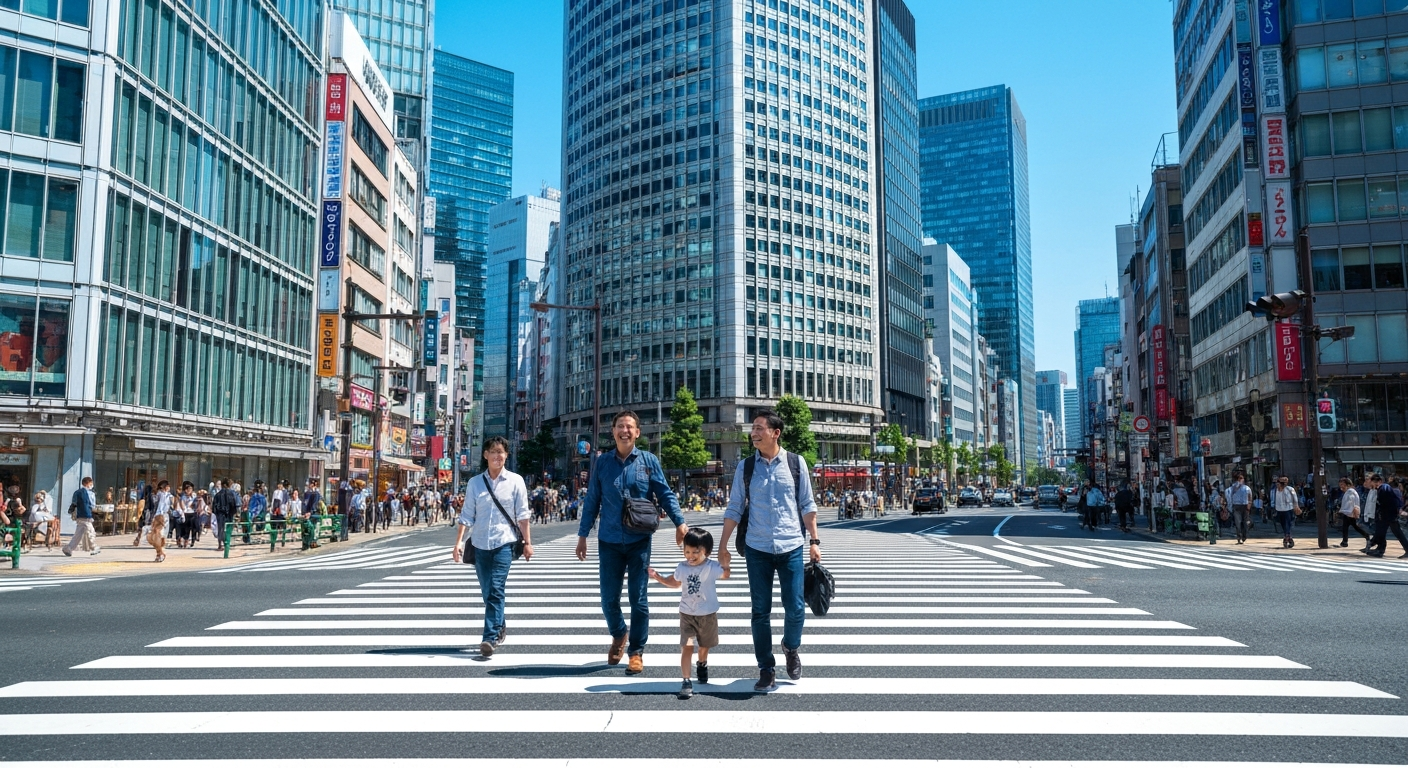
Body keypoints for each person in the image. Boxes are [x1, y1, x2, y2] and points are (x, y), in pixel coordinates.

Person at [575, 410, 688, 675]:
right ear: (612, 431)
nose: (624, 431)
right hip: (609, 540)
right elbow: (592, 500)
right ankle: (619, 634)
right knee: (608, 600)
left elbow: (665, 493)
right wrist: (582, 535)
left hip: (639, 540)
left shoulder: (648, 461)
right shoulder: (602, 463)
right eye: (619, 427)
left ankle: (636, 652)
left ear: (637, 432)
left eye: (629, 427)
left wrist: (680, 522)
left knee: (638, 599)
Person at [719, 410, 822, 692]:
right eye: (753, 428)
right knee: (760, 612)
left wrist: (814, 541)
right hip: (757, 548)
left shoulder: (795, 463)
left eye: (759, 428)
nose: (753, 433)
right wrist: (723, 545)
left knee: (796, 608)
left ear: (775, 433)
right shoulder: (745, 467)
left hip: (791, 545)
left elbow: (807, 505)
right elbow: (735, 507)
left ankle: (790, 647)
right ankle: (766, 667)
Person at [454, 436, 533, 657]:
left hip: (504, 543)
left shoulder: (516, 481)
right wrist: (459, 543)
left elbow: (523, 516)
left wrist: (527, 543)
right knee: (488, 591)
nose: (498, 455)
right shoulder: (475, 483)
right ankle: (499, 625)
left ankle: (489, 637)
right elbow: (467, 515)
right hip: (479, 543)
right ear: (486, 455)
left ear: (506, 455)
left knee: (496, 589)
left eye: (502, 451)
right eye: (493, 451)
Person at [648, 526, 729, 700]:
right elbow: (675, 582)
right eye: (687, 552)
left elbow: (725, 574)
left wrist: (726, 562)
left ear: (706, 551)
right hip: (687, 615)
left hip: (707, 615)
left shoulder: (712, 567)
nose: (690, 556)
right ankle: (686, 680)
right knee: (687, 646)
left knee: (704, 646)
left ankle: (702, 663)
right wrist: (658, 577)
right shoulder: (682, 567)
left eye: (695, 552)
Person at [1363, 474, 1408, 559]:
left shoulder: (1384, 488)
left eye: (1372, 483)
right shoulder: (1383, 488)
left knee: (1385, 532)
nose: (1372, 485)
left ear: (1377, 482)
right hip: (1388, 515)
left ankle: (1379, 549)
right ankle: (1379, 549)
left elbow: (1386, 502)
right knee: (1389, 532)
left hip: (1388, 515)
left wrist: (1382, 513)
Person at [61, 477, 99, 557]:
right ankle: (94, 547)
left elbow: (74, 504)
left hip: (80, 516)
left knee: (78, 534)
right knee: (90, 531)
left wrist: (71, 511)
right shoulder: (90, 494)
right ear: (87, 484)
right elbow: (93, 506)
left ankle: (69, 548)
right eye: (91, 484)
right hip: (86, 515)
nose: (91, 486)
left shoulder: (77, 492)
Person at [1335, 476, 1370, 549]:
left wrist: (1345, 511)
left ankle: (1366, 535)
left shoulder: (1350, 492)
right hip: (1348, 512)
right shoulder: (1348, 492)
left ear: (1347, 484)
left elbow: (1351, 503)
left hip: (1350, 512)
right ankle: (1344, 542)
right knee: (1345, 527)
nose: (1341, 486)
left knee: (1355, 527)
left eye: (1342, 484)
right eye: (1340, 484)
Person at [1269, 475, 1300, 548]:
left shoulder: (1290, 489)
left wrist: (1296, 506)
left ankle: (1287, 537)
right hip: (1279, 509)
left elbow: (1295, 498)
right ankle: (1288, 536)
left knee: (1288, 523)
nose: (1277, 485)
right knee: (1283, 524)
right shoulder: (1275, 490)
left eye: (1278, 483)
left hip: (1288, 509)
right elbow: (1273, 499)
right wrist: (1273, 507)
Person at [211, 479, 239, 549]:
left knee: (220, 529)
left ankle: (220, 545)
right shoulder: (231, 494)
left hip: (220, 514)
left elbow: (214, 506)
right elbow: (234, 505)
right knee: (228, 529)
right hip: (229, 514)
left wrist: (216, 513)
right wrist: (234, 513)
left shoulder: (217, 495)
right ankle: (227, 544)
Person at [147, 481, 170, 562]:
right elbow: (160, 506)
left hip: (162, 515)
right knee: (156, 535)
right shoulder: (161, 494)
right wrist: (158, 518)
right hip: (160, 516)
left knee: (158, 536)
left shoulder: (166, 495)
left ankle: (160, 553)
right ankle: (160, 552)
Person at [1225, 474, 1251, 545]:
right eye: (1239, 479)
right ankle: (1239, 537)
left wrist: (1249, 505)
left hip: (1244, 506)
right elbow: (1228, 495)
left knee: (1245, 522)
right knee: (1238, 522)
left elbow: (1249, 497)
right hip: (1236, 506)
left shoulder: (1247, 488)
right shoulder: (1233, 488)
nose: (1240, 481)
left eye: (1242, 479)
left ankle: (1244, 536)